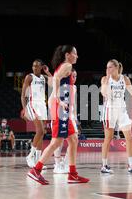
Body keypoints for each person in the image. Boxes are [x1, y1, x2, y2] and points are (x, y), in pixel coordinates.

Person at [27, 45, 89, 185]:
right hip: (60, 107)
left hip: (63, 107)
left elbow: (56, 79)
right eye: (75, 53)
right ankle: (35, 171)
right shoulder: (67, 65)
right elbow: (55, 79)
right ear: (68, 55)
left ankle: (72, 174)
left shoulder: (64, 66)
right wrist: (58, 98)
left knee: (73, 139)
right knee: (57, 142)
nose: (77, 56)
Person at [100, 59, 132, 174]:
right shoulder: (105, 79)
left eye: (110, 67)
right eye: (106, 67)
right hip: (109, 110)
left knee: (129, 138)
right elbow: (103, 93)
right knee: (108, 138)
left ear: (116, 68)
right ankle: (104, 166)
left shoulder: (124, 79)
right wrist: (106, 79)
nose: (108, 69)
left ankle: (131, 166)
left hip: (122, 110)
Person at [21, 59, 52, 166]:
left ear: (41, 67)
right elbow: (23, 95)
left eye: (37, 66)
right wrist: (24, 109)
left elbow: (54, 83)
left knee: (42, 132)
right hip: (33, 104)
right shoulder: (29, 77)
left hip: (42, 105)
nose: (34, 68)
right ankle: (30, 156)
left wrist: (47, 72)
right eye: (33, 66)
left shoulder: (44, 77)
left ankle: (38, 162)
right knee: (39, 130)